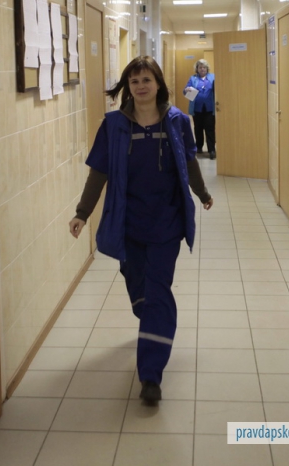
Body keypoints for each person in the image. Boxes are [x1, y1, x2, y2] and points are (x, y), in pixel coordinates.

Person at [68, 56, 213, 406]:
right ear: (127, 87)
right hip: (127, 223)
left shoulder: (177, 121)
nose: (141, 86)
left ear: (158, 83)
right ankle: (150, 319)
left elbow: (189, 162)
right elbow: (99, 172)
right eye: (134, 81)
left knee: (158, 293)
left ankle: (150, 375)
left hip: (166, 223)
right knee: (140, 292)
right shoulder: (114, 125)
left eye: (146, 79)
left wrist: (202, 193)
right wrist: (82, 213)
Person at [184, 59, 216, 159]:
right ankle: (199, 147)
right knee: (198, 128)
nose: (202, 69)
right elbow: (185, 91)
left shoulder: (213, 77)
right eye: (200, 67)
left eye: (204, 67)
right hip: (197, 108)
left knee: (209, 129)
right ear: (197, 69)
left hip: (209, 108)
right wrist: (186, 90)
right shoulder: (193, 78)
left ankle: (211, 149)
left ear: (207, 68)